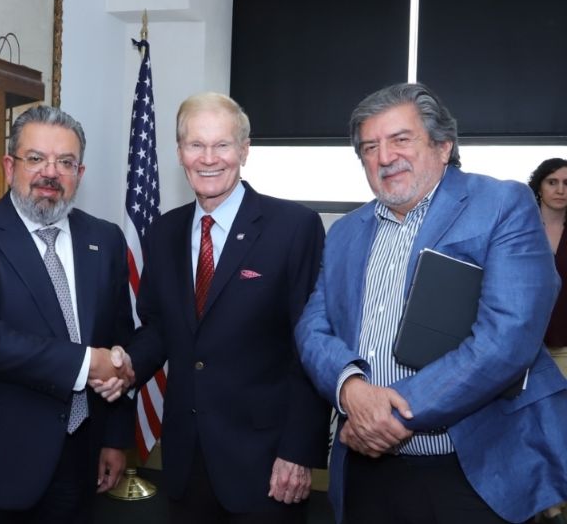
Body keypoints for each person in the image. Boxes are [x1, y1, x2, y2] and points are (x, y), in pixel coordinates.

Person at [295, 82, 567, 524]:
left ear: (443, 146)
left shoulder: (501, 204)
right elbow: (313, 327)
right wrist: (351, 389)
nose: (385, 157)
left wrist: (390, 415)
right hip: (367, 470)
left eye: (401, 139)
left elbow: (509, 335)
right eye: (370, 146)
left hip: (470, 468)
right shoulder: (345, 231)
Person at [113, 92, 330, 524]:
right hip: (185, 459)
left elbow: (310, 346)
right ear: (179, 153)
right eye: (196, 145)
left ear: (245, 150)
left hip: (266, 464)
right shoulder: (164, 231)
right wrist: (126, 362)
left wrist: (298, 451)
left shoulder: (294, 228)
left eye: (222, 145)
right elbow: (158, 325)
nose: (208, 158)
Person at [0, 105, 136, 524]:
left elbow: (118, 337)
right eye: (36, 158)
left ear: (80, 171)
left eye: (65, 162)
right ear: (10, 166)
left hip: (80, 460)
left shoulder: (105, 238)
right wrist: (85, 362)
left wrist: (114, 438)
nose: (50, 173)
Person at [529, 157, 567, 524]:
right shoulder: (523, 227)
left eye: (566, 183)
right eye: (552, 182)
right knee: (534, 427)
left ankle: (557, 505)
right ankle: (545, 506)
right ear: (539, 186)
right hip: (525, 347)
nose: (560, 189)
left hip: (565, 344)